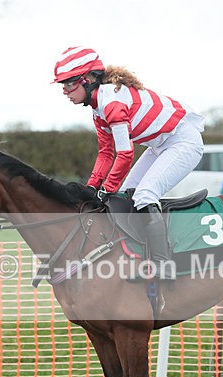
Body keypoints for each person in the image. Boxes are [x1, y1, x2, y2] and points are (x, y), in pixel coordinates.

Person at [53, 46, 204, 280]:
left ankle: (164, 266)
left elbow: (124, 153)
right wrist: (92, 189)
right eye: (63, 85)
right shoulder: (97, 109)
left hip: (183, 142)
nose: (64, 91)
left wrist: (106, 190)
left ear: (89, 79)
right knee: (124, 196)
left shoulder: (111, 103)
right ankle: (138, 257)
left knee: (144, 194)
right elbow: (105, 153)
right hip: (160, 145)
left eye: (69, 83)